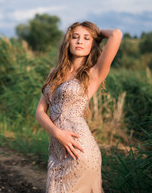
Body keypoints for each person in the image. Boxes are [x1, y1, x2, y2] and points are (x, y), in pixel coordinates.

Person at [35, 21, 122, 192]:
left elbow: (116, 34)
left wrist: (97, 33)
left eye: (86, 38)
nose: (80, 41)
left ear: (93, 44)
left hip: (79, 150)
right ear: (68, 42)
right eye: (75, 37)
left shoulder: (94, 73)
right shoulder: (55, 73)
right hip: (57, 148)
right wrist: (58, 133)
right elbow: (39, 112)